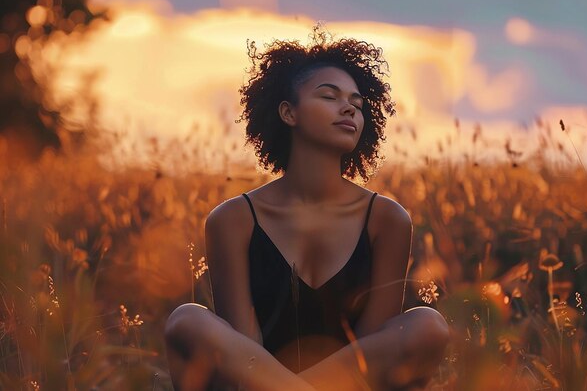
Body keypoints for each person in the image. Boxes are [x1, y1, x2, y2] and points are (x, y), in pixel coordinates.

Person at [165, 28, 449, 391]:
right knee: (186, 321)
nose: (349, 108)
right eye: (329, 96)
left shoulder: (387, 219)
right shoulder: (233, 219)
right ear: (288, 113)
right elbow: (243, 352)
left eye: (358, 104)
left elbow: (370, 354)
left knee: (427, 325)